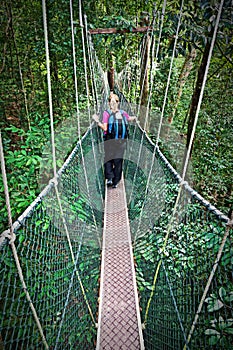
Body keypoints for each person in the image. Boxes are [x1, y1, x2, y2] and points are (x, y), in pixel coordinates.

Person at [93, 93, 136, 188]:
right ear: (118, 103)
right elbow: (128, 119)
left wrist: (97, 121)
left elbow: (105, 128)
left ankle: (109, 178)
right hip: (122, 141)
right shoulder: (123, 113)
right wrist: (136, 118)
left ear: (108, 103)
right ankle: (116, 182)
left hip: (109, 141)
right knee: (118, 160)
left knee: (108, 159)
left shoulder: (106, 113)